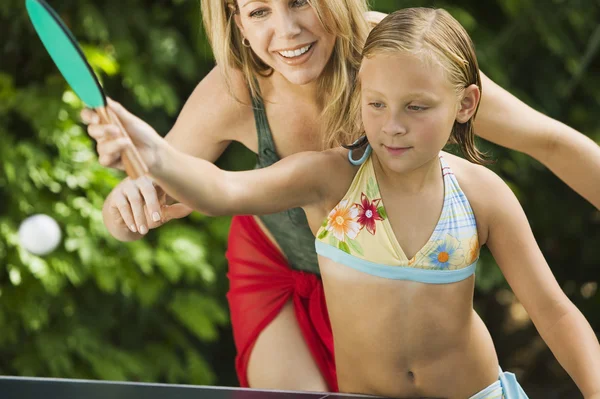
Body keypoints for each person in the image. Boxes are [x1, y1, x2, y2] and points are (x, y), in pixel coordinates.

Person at [81, 0, 600, 392]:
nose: (286, 30)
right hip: (279, 260)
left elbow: (551, 142)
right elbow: (201, 186)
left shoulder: (403, 56)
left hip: (392, 282)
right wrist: (132, 193)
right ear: (235, 19)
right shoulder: (243, 96)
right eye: (259, 10)